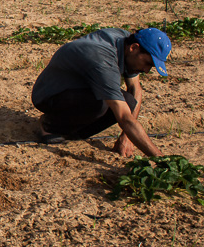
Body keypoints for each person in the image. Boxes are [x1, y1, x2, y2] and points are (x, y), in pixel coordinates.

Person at [31, 27, 172, 157]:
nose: (147, 70)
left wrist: (126, 137)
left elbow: (135, 89)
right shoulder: (103, 59)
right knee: (103, 104)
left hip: (81, 88)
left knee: (128, 102)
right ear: (134, 48)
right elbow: (123, 117)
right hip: (50, 94)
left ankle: (72, 130)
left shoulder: (127, 43)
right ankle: (49, 125)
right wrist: (161, 160)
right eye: (148, 63)